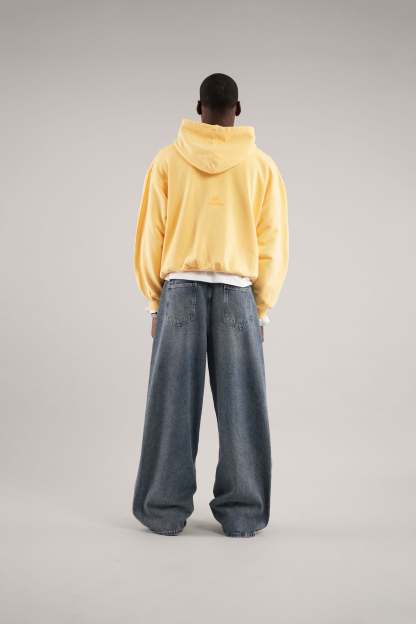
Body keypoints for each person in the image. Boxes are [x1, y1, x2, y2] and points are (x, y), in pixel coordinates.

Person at [132, 73, 289, 537]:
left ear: (199, 108)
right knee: (243, 407)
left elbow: (151, 235)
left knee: (171, 404)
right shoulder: (261, 166)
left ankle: (163, 510)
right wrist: (262, 307)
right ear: (237, 109)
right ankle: (243, 513)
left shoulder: (167, 161)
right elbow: (273, 244)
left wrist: (153, 302)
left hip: (179, 290)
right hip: (237, 295)